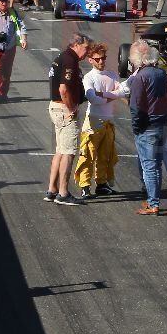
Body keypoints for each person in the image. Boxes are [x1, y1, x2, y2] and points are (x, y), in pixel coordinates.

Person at [127, 40, 167, 216]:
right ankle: (153, 200)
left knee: (149, 166)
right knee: (156, 164)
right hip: (163, 123)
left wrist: (136, 127)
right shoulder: (162, 73)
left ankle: (153, 203)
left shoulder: (140, 77)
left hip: (148, 125)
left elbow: (136, 106)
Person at [46, 34, 91, 206]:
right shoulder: (69, 60)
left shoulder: (62, 57)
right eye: (86, 48)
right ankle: (63, 193)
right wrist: (71, 107)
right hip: (64, 109)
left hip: (56, 107)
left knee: (60, 150)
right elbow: (63, 89)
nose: (87, 52)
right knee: (69, 152)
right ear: (76, 45)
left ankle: (52, 189)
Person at [75, 43, 123, 199]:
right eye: (97, 59)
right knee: (87, 155)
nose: (101, 61)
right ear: (90, 60)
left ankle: (101, 184)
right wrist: (111, 96)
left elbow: (122, 92)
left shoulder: (112, 75)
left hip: (108, 122)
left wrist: (103, 94)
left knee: (106, 155)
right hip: (93, 122)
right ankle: (85, 186)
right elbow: (92, 99)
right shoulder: (89, 77)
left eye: (103, 58)